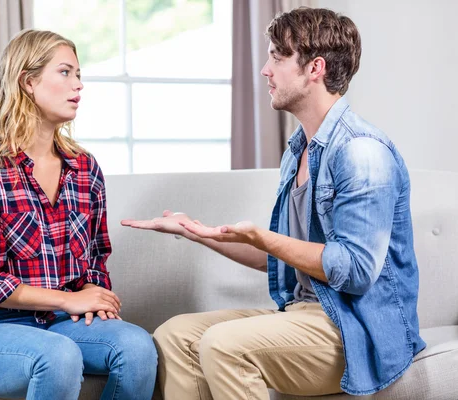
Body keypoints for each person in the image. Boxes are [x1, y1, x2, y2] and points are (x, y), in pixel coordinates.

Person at [122, 7, 425, 399]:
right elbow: (283, 256)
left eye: (277, 58)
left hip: (355, 330)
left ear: (314, 68)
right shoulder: (298, 150)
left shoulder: (361, 153)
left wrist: (264, 238)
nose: (265, 70)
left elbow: (356, 270)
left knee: (223, 345)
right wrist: (197, 232)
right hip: (305, 316)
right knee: (174, 336)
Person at [0, 29, 157, 400]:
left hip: (60, 322)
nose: (78, 85)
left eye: (79, 74)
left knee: (137, 348)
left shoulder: (84, 168)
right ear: (27, 81)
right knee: (58, 357)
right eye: (65, 72)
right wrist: (67, 299)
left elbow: (94, 257)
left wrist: (92, 289)